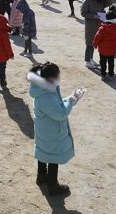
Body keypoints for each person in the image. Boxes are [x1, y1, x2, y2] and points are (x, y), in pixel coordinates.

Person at [28, 62, 86, 196]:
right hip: (52, 133)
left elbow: (56, 106)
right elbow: (60, 114)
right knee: (53, 157)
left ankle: (41, 176)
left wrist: (72, 99)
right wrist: (71, 100)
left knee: (43, 152)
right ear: (49, 79)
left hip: (45, 131)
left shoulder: (43, 89)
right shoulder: (45, 96)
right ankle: (53, 186)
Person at [81, 0, 110, 68]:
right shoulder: (88, 0)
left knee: (95, 42)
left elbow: (108, 3)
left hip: (99, 23)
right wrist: (94, 16)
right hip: (90, 25)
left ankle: (91, 58)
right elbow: (83, 12)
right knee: (89, 42)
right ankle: (87, 60)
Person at [93, 10, 116, 81]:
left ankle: (103, 74)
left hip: (103, 50)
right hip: (112, 49)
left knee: (103, 63)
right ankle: (111, 74)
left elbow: (97, 37)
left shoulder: (102, 28)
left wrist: (95, 44)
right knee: (111, 63)